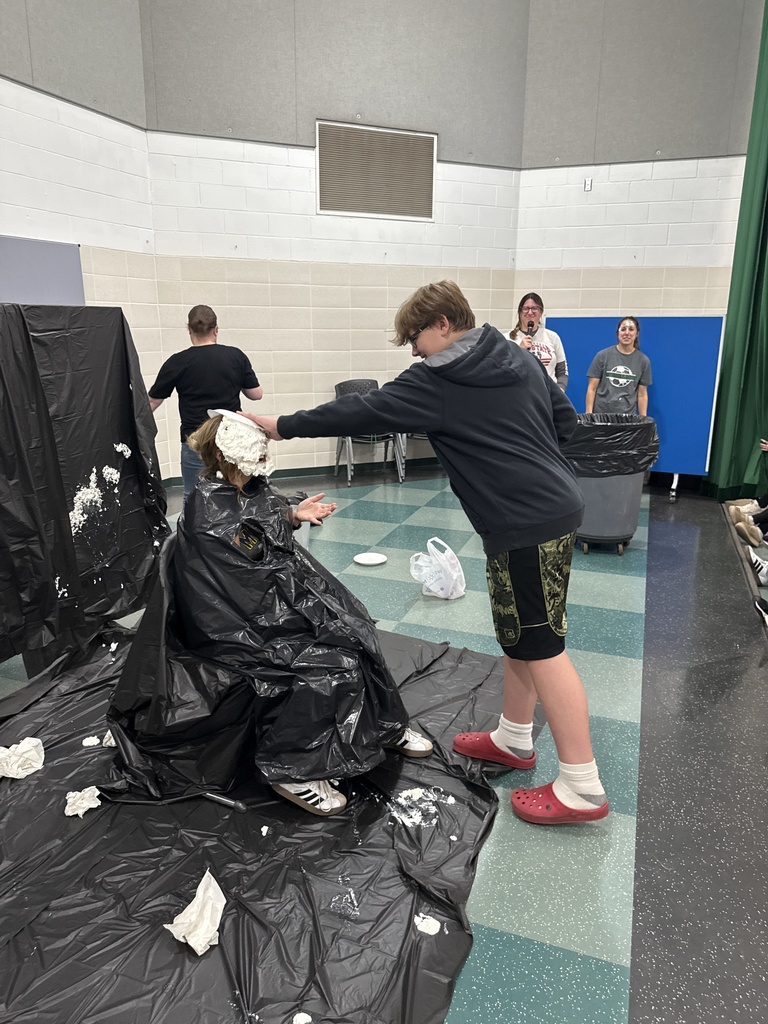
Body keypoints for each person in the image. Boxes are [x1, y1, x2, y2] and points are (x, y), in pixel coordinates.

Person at [242, 280, 609, 826]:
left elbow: (363, 410)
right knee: (521, 635)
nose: (413, 351)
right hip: (548, 510)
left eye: (415, 337)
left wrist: (283, 426)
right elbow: (566, 424)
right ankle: (513, 738)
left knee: (543, 647)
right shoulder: (515, 353)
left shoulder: (440, 378)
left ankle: (581, 786)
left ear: (442, 323)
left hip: (525, 521)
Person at [107, 413, 433, 817]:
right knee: (325, 663)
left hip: (262, 608)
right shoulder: (206, 509)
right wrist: (301, 608)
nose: (263, 457)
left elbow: (259, 533)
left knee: (354, 629)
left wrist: (292, 516)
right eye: (256, 451)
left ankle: (383, 726)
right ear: (226, 455)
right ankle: (293, 771)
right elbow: (244, 577)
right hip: (233, 626)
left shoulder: (250, 489)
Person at [148, 304, 264, 496]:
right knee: (235, 492)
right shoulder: (235, 356)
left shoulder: (177, 361)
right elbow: (256, 394)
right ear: (216, 329)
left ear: (189, 329)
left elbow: (152, 402)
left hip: (196, 440)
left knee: (194, 496)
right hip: (231, 439)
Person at [585, 316, 652, 415]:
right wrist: (589, 414)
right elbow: (592, 388)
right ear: (618, 333)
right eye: (623, 329)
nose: (627, 333)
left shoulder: (643, 361)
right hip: (602, 415)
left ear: (637, 333)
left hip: (628, 417)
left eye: (631, 329)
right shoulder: (602, 356)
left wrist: (643, 419)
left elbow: (642, 394)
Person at [508, 292, 568, 391]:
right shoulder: (507, 338)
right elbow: (503, 370)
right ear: (520, 312)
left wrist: (560, 390)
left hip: (548, 394)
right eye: (526, 308)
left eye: (534, 308)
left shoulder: (552, 337)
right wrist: (520, 350)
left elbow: (562, 371)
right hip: (519, 393)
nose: (530, 312)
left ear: (541, 312)